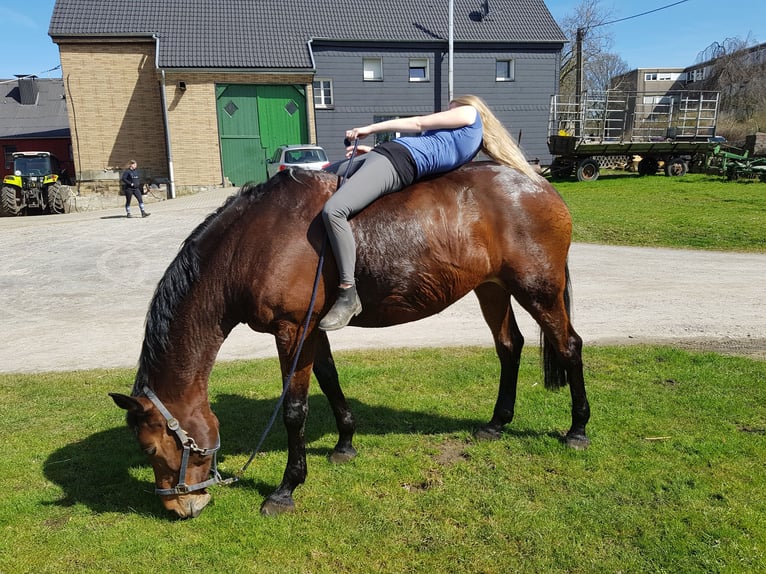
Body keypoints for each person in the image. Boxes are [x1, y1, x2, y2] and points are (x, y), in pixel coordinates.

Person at [319, 94, 539, 331]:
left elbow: (418, 124)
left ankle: (347, 292)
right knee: (313, 182)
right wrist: (371, 150)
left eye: (451, 107)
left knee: (334, 210)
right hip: (384, 156)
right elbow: (426, 147)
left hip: (396, 161)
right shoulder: (459, 140)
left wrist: (369, 128)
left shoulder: (469, 113)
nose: (447, 111)